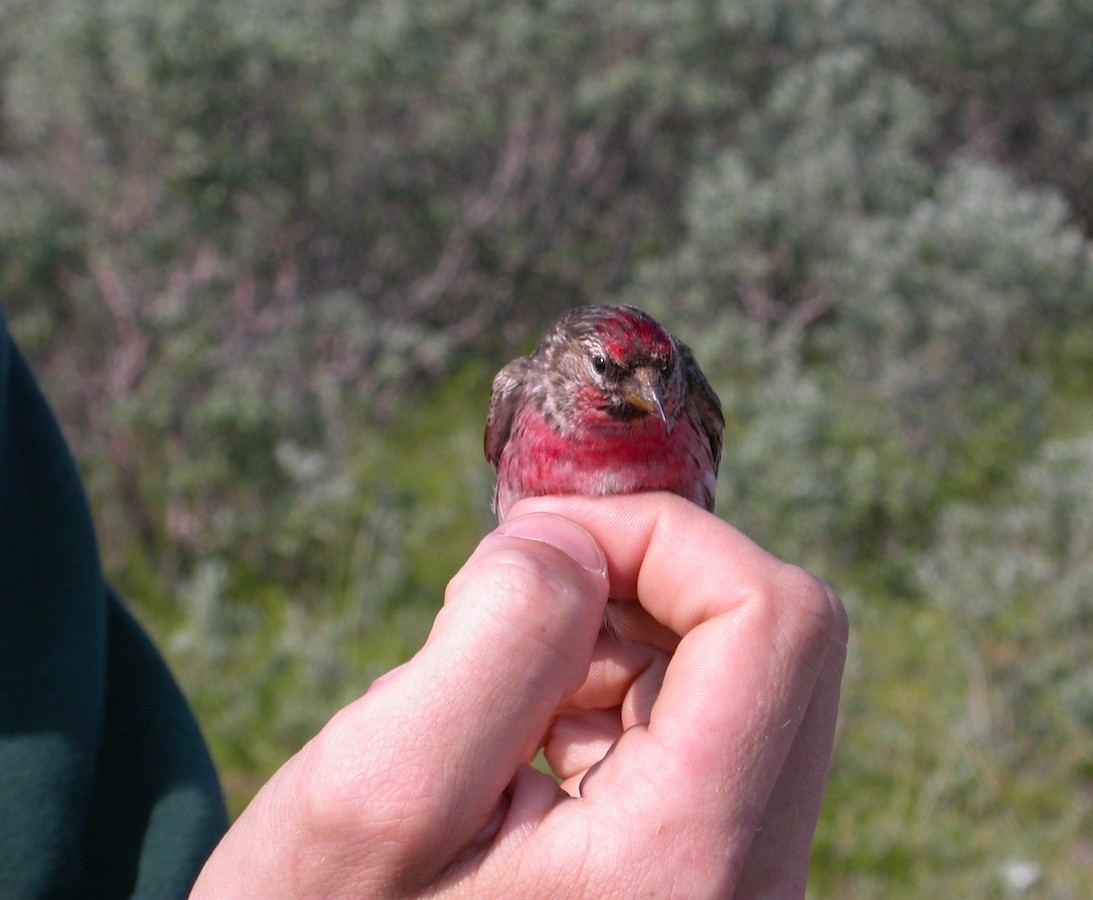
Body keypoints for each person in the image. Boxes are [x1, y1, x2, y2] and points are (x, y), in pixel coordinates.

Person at [0, 311, 848, 897]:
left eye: (662, 379)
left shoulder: (680, 399)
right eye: (611, 374)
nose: (647, 397)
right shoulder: (521, 389)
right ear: (564, 365)